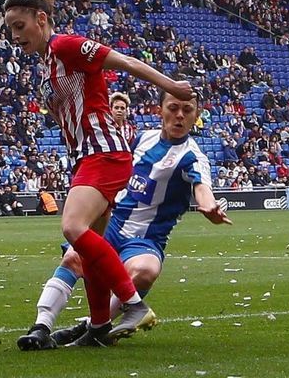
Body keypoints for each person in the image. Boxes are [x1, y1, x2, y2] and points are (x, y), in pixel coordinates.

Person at [4, 0, 193, 346]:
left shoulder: (66, 46)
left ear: (41, 20)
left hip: (104, 150)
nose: (15, 36)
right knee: (88, 248)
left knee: (73, 227)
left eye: (20, 26)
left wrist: (170, 86)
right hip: (85, 154)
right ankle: (99, 328)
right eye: (10, 29)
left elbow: (124, 62)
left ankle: (134, 304)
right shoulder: (47, 61)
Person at [18, 88, 230, 350]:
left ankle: (92, 327)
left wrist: (209, 208)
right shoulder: (141, 140)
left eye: (187, 111)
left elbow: (203, 189)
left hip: (145, 239)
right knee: (74, 257)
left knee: (146, 271)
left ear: (196, 115)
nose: (179, 116)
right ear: (159, 110)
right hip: (113, 223)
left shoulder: (192, 157)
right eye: (173, 108)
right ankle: (41, 327)